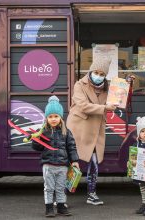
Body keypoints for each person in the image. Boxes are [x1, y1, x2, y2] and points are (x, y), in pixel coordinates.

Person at [66, 59, 117, 205]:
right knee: (72, 161)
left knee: (94, 162)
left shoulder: (109, 88)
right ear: (90, 71)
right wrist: (105, 108)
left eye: (102, 74)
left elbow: (120, 97)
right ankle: (64, 192)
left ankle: (92, 193)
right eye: (96, 72)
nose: (98, 75)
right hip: (78, 128)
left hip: (95, 129)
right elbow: (83, 106)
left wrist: (128, 83)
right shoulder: (79, 84)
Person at [31, 96, 80, 217]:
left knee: (61, 187)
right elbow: (37, 147)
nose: (53, 119)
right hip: (48, 165)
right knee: (48, 188)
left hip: (62, 165)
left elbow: (71, 146)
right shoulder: (43, 131)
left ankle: (61, 206)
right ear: (46, 118)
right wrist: (35, 140)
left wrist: (74, 160)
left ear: (61, 117)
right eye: (50, 116)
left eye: (56, 116)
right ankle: (49, 208)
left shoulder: (66, 132)